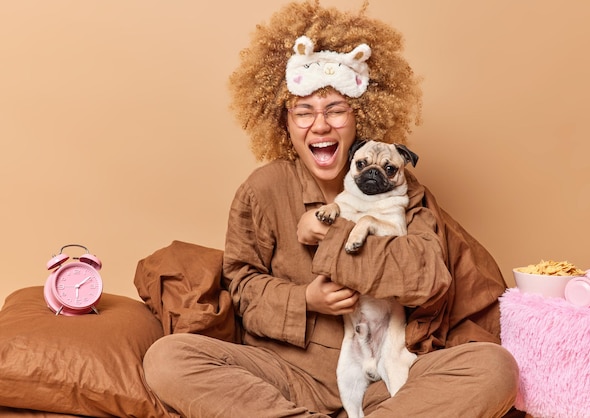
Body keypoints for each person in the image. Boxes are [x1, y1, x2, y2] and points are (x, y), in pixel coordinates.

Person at [143, 1, 519, 417]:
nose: (320, 125)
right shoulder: (262, 189)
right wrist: (306, 298)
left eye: (336, 109)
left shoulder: (405, 189)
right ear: (284, 122)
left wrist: (331, 236)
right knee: (168, 358)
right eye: (303, 111)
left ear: (361, 117)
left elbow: (428, 277)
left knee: (494, 367)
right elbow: (242, 287)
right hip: (285, 373)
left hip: (389, 380)